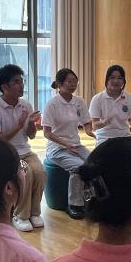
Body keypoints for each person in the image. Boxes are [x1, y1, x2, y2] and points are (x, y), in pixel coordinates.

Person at [0, 64, 44, 233]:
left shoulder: (25, 105)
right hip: (6, 153)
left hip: (25, 151)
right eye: (17, 82)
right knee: (26, 174)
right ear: (5, 87)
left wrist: (31, 123)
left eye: (22, 81)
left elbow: (31, 136)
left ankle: (35, 213)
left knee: (40, 172)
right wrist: (18, 125)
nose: (22, 85)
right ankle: (20, 215)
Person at [42, 67, 93, 219]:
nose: (73, 85)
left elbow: (86, 122)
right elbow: (47, 133)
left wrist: (91, 132)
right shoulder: (52, 104)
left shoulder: (79, 102)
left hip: (76, 146)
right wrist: (66, 144)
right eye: (69, 82)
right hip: (57, 148)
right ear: (59, 84)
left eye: (75, 81)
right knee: (79, 167)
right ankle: (74, 204)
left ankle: (90, 198)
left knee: (95, 163)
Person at [89, 64, 131, 146]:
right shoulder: (97, 98)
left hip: (125, 137)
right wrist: (104, 122)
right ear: (107, 80)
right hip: (104, 138)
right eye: (112, 77)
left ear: (123, 81)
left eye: (120, 78)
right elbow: (94, 126)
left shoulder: (130, 98)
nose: (116, 81)